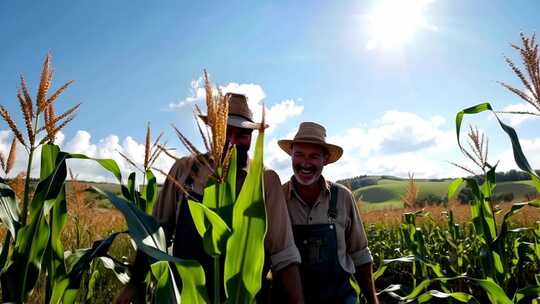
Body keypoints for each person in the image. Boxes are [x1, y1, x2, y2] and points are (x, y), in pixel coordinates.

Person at [116, 93, 303, 304]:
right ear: (214, 132)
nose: (233, 142)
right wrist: (134, 285)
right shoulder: (184, 170)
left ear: (251, 137)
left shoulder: (265, 181)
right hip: (187, 295)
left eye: (242, 134)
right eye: (226, 133)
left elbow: (283, 252)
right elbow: (155, 231)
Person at [277, 122, 378, 304]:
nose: (305, 164)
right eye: (299, 155)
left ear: (325, 159)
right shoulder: (277, 198)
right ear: (291, 155)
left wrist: (373, 301)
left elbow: (360, 255)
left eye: (314, 156)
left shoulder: (342, 197)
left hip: (339, 299)